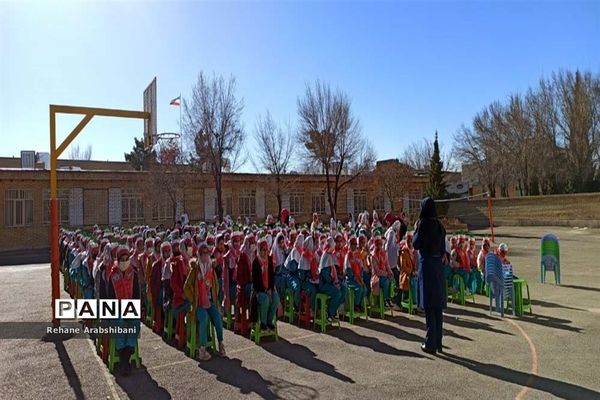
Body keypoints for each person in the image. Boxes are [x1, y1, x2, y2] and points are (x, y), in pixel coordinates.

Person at [413, 197, 447, 354]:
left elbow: (416, 243)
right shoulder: (439, 225)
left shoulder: (423, 224)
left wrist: (415, 231)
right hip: (438, 266)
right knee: (437, 306)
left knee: (429, 305)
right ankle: (438, 342)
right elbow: (443, 247)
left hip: (427, 265)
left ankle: (430, 342)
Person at [184, 243, 225, 360]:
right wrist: (193, 300)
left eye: (207, 253)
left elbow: (216, 286)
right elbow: (186, 287)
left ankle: (221, 344)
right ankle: (202, 349)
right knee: (204, 318)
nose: (205, 256)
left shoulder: (211, 268)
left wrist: (214, 298)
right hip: (198, 304)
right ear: (199, 255)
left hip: (209, 302)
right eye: (203, 254)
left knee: (217, 317)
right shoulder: (195, 269)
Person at [108, 245, 141, 376]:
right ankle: (125, 358)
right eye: (122, 259)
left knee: (134, 323)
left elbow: (136, 296)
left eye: (127, 258)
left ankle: (124, 358)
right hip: (115, 308)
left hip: (130, 307)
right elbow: (109, 296)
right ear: (118, 259)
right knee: (119, 323)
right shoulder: (112, 275)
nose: (125, 261)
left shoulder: (134, 274)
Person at [250, 239, 279, 331]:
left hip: (269, 289)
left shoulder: (269, 260)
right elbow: (256, 282)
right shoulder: (255, 262)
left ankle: (269, 321)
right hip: (259, 290)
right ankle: (263, 323)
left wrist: (270, 289)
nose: (265, 252)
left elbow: (271, 277)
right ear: (259, 250)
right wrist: (266, 291)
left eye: (266, 249)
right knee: (265, 299)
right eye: (263, 250)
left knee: (276, 299)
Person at [345, 237, 367, 312]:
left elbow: (361, 267)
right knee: (359, 289)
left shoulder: (357, 254)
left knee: (364, 289)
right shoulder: (348, 255)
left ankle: (359, 304)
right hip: (350, 279)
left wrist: (360, 278)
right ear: (349, 245)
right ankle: (355, 305)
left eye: (355, 244)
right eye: (352, 244)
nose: (354, 246)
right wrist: (355, 279)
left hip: (358, 278)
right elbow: (348, 271)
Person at [399, 232, 417, 305]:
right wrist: (411, 272)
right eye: (409, 240)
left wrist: (416, 271)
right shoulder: (403, 251)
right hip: (406, 275)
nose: (410, 242)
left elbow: (417, 264)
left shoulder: (415, 251)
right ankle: (415, 302)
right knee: (414, 282)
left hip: (415, 273)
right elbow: (403, 266)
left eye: (411, 240)